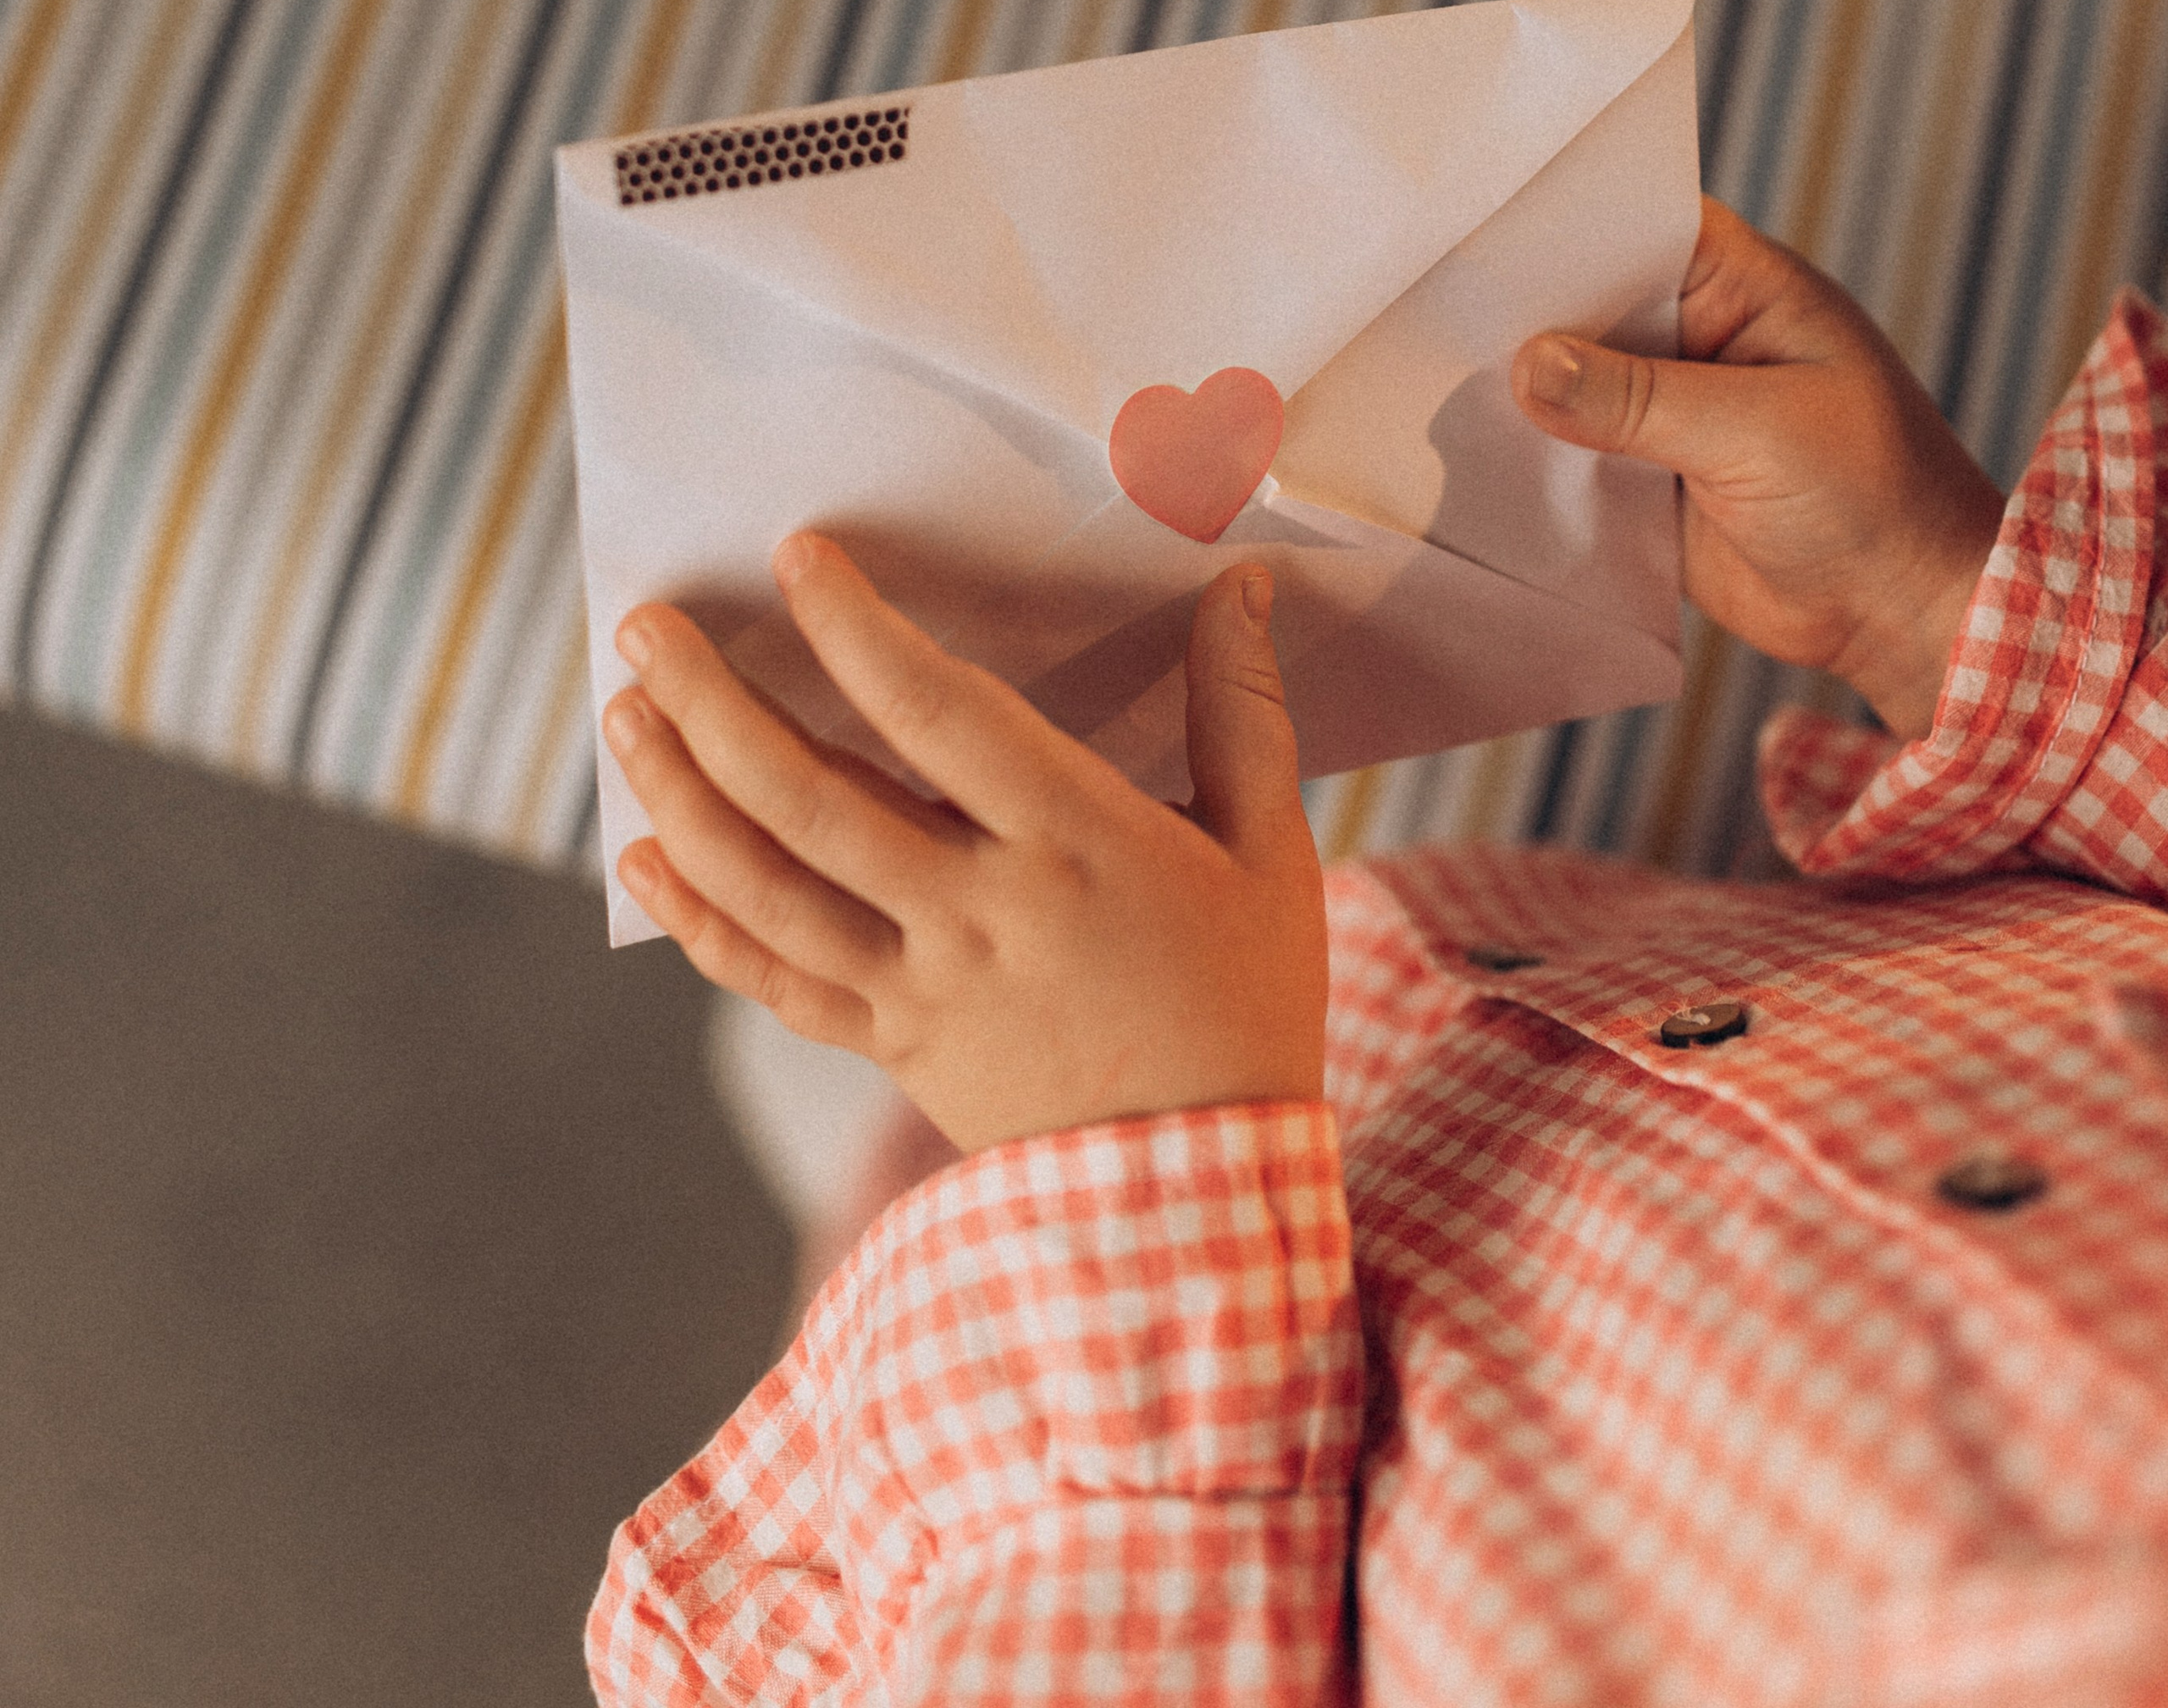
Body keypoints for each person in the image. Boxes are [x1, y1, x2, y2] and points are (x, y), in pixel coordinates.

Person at [585, 200, 2168, 1708]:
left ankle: (875, 1173)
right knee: (884, 1007)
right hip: (1496, 966)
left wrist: (1121, 1165)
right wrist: (1952, 618)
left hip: (1095, 1342)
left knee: (858, 1119)